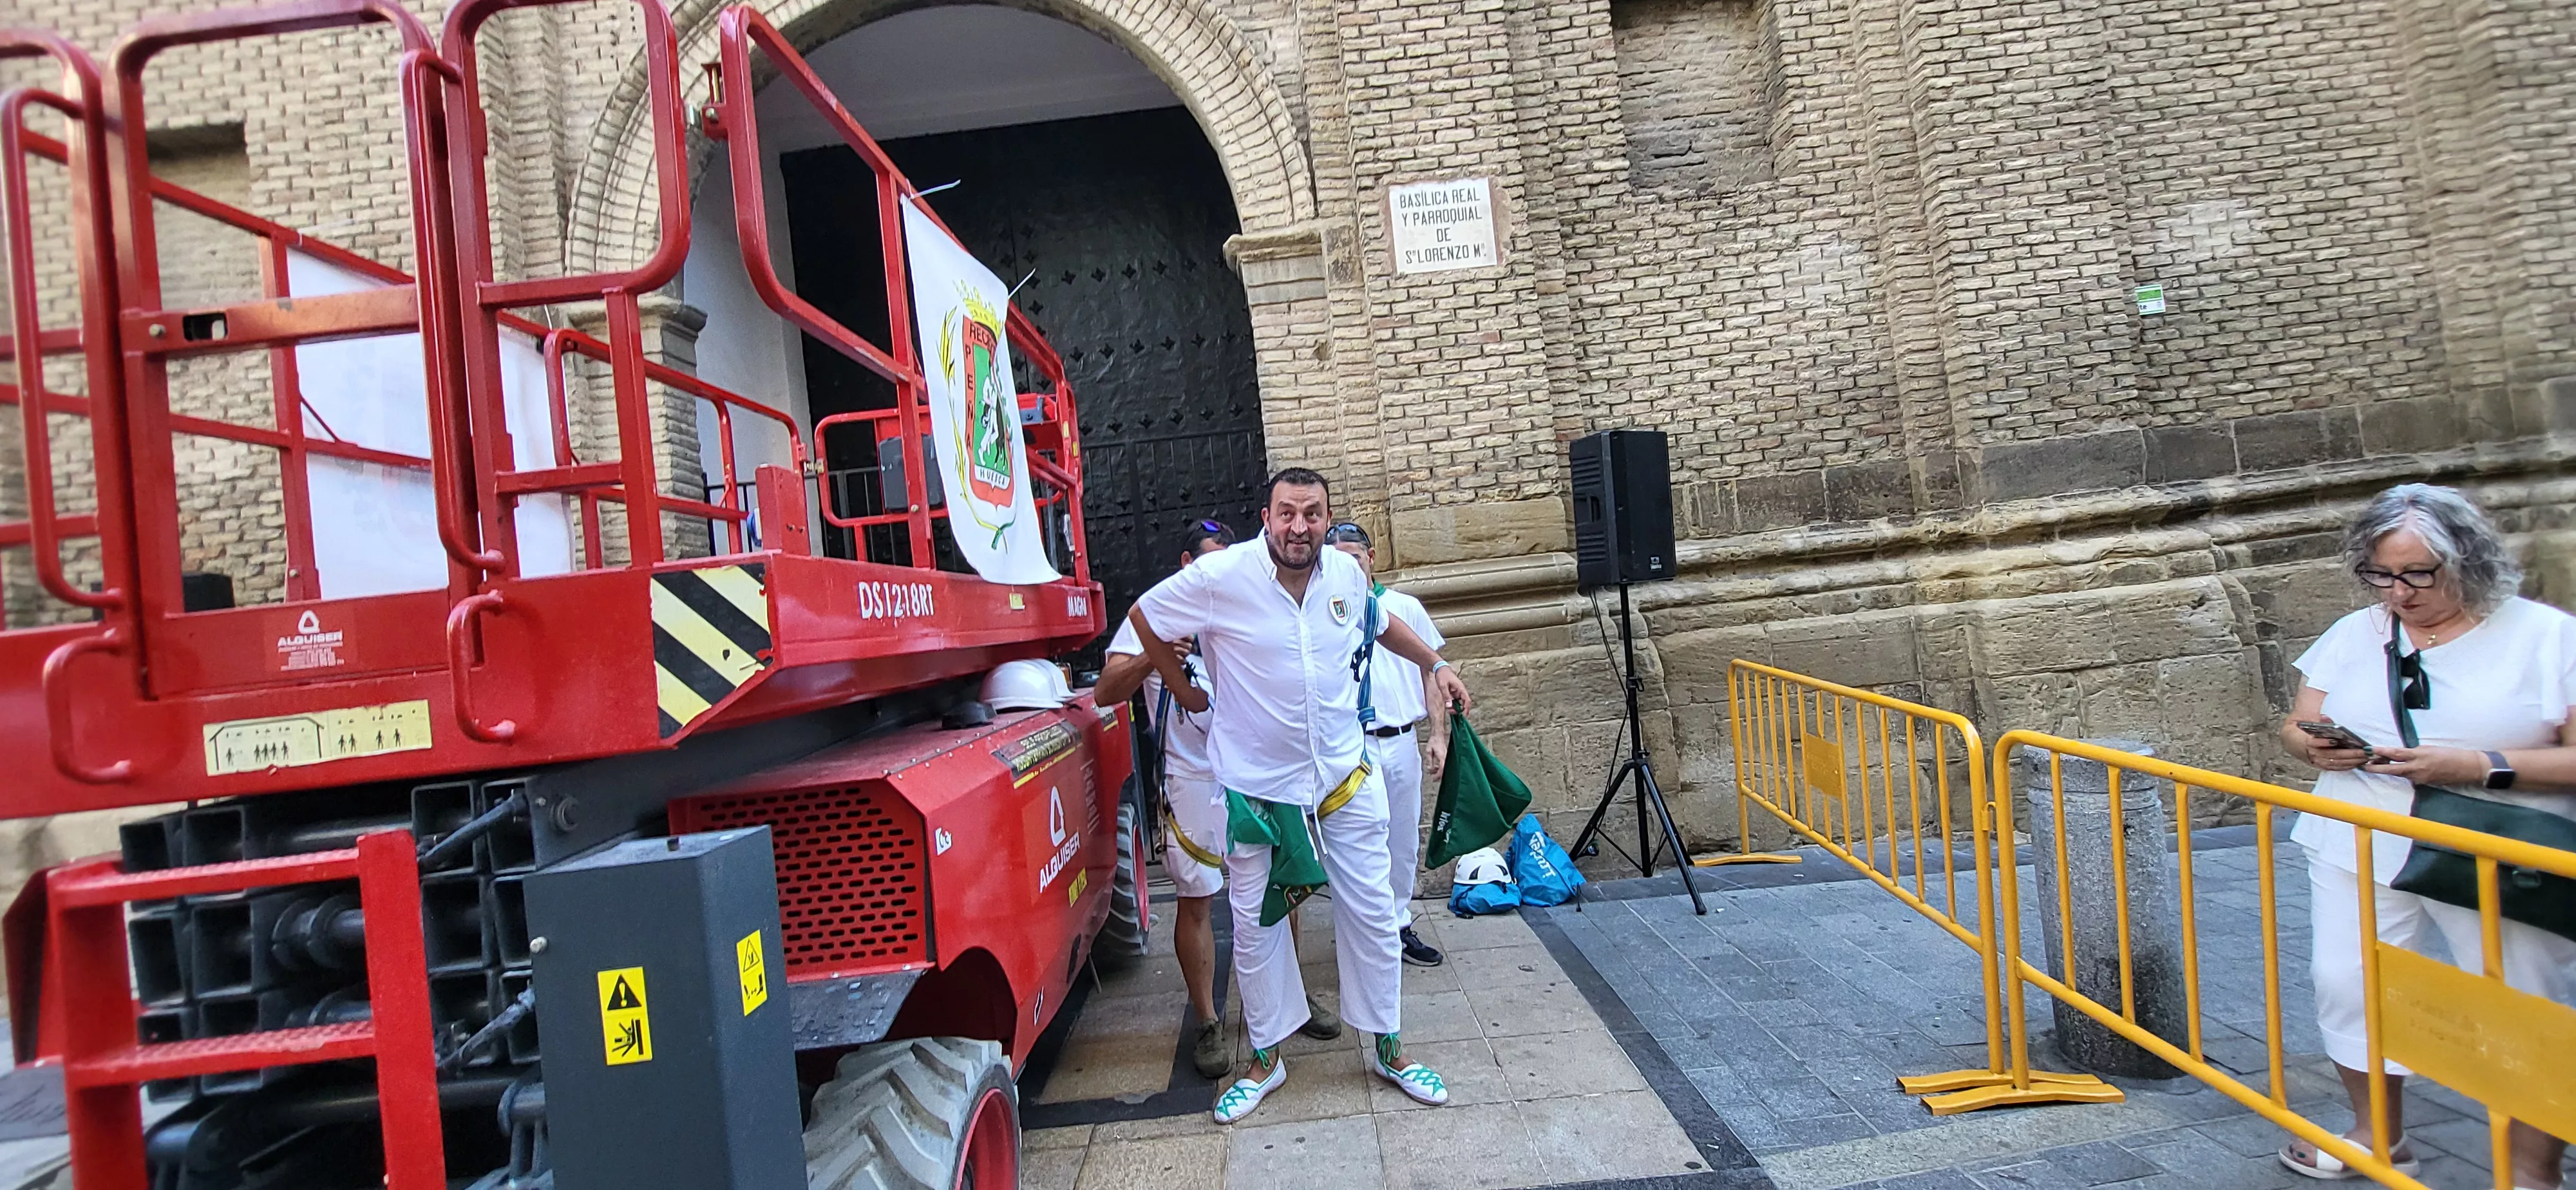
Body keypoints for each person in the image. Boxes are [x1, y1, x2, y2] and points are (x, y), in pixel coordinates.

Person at [1122, 468, 1473, 1124]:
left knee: (1373, 915)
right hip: (1258, 791)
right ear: (1266, 517)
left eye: (1312, 514)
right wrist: (1187, 690)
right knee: (1257, 931)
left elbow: (1378, 623)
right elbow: (1145, 616)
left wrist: (1435, 662)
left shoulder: (1345, 575)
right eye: (1287, 513)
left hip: (1343, 779)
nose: (1299, 527)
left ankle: (1390, 1049)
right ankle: (1265, 1060)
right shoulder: (1223, 576)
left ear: (1326, 519)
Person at [2277, 483, 2576, 1189]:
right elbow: (2295, 722)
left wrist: (2473, 766)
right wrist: (2313, 747)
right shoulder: (2358, 631)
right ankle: (2376, 1137)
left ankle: (2531, 1173)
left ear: (2468, 560)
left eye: (2417, 574)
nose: (2398, 593)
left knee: (2521, 1000)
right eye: (2380, 574)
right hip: (2360, 831)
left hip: (2497, 844)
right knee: (2348, 981)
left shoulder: (2545, 636)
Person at [1092, 518, 1343, 1080]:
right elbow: (1106, 692)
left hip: (1258, 772)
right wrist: (1154, 656)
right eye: (1211, 563)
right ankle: (1207, 1020)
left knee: (1284, 886)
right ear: (1188, 566)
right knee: (1198, 897)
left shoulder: (1252, 601)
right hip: (1194, 776)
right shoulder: (1160, 613)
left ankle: (1291, 998)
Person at [1321, 521, 1446, 967]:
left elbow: (1430, 671)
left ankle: (1398, 923)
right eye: (1337, 560)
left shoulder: (1404, 607)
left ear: (1370, 558)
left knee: (1402, 838)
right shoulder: (1327, 612)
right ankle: (1364, 930)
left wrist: (1438, 734)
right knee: (1358, 839)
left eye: (1354, 558)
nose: (1348, 567)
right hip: (1353, 744)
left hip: (1399, 738)